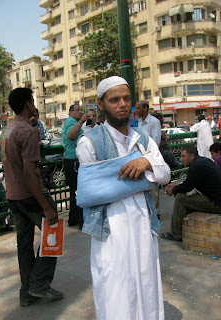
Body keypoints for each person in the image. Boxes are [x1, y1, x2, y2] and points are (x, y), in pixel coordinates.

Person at [76, 76, 170, 320]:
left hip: (143, 224)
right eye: (114, 99)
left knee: (146, 285)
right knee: (115, 289)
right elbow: (88, 194)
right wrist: (148, 173)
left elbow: (166, 174)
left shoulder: (143, 140)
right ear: (101, 104)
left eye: (126, 99)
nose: (122, 104)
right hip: (110, 229)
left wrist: (147, 162)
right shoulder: (89, 143)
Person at [0, 88, 64, 307]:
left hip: (13, 195)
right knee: (52, 236)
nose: (34, 105)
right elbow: (30, 173)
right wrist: (46, 207)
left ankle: (26, 293)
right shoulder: (28, 132)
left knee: (24, 245)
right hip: (31, 195)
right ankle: (39, 283)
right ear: (28, 105)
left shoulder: (7, 130)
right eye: (33, 102)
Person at [161, 145, 221, 241]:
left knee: (181, 199)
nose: (181, 160)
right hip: (215, 198)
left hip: (216, 203)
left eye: (183, 156)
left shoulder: (196, 166)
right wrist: (176, 186)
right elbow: (191, 183)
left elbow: (187, 187)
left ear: (192, 156)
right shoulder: (202, 161)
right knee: (186, 197)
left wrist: (173, 190)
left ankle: (177, 234)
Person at [62, 104, 89, 229]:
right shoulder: (71, 122)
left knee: (75, 191)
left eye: (81, 110)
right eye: (77, 110)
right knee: (78, 190)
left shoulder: (74, 122)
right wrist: (81, 121)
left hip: (74, 160)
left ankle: (74, 218)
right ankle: (79, 219)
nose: (80, 112)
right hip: (73, 160)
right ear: (71, 112)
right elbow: (71, 135)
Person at [136, 101, 162, 217]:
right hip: (141, 157)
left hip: (151, 157)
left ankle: (156, 213)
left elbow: (156, 141)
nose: (135, 111)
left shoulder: (154, 122)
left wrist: (148, 157)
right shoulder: (139, 122)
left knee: (153, 187)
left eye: (138, 108)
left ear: (145, 109)